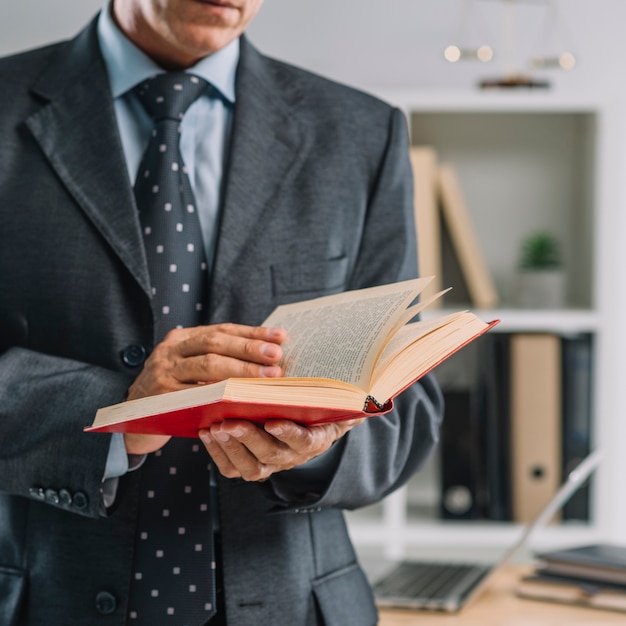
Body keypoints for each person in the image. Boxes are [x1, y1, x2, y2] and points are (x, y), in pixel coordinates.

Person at [0, 1, 444, 624]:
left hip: (296, 604)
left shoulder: (362, 132)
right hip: (39, 598)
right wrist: (119, 411)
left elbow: (409, 411)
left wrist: (312, 446)